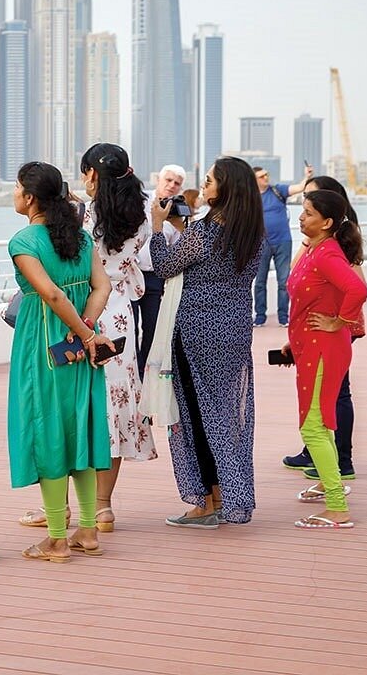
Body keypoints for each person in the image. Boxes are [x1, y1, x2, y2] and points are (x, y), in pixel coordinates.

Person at [8, 162, 114, 563]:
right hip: (83, 342)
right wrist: (88, 330)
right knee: (80, 429)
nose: (14, 195)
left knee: (48, 429)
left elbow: (50, 295)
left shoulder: (24, 241)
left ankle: (55, 537)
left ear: (31, 197)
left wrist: (82, 333)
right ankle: (87, 529)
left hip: (44, 344)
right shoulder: (82, 238)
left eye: (18, 189)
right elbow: (101, 286)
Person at [150, 156, 264, 528]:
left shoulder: (205, 233)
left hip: (197, 330)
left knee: (196, 416)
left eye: (212, 181)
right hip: (233, 329)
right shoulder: (252, 233)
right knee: (227, 414)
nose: (205, 185)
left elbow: (166, 266)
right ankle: (231, 496)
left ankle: (207, 501)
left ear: (226, 188)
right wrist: (185, 227)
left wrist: (156, 230)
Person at [78, 145, 157, 530]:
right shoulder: (141, 216)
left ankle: (65, 504)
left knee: (81, 402)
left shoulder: (81, 216)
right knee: (117, 401)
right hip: (121, 312)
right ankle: (103, 506)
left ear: (91, 174)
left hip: (87, 310)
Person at [283, 189, 367, 529]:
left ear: (327, 222)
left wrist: (340, 322)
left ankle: (337, 505)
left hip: (324, 348)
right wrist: (293, 339)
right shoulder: (314, 249)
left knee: (313, 426)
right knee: (322, 422)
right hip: (309, 346)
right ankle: (329, 483)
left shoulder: (327, 254)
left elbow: (357, 290)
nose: (301, 218)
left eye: (308, 213)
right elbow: (309, 299)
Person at [133, 164, 185, 378]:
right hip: (132, 272)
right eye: (168, 180)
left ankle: (146, 373)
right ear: (158, 180)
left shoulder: (176, 213)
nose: (171, 186)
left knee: (152, 327)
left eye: (177, 183)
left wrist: (180, 224)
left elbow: (177, 249)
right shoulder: (140, 203)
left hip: (155, 277)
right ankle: (133, 371)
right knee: (131, 326)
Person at [253, 164, 313, 327]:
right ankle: (259, 317)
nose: (266, 177)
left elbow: (300, 188)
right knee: (259, 282)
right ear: (254, 180)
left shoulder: (277, 190)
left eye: (267, 174)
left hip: (283, 242)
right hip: (261, 243)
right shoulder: (251, 197)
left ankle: (283, 318)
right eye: (262, 176)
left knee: (284, 281)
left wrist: (306, 176)